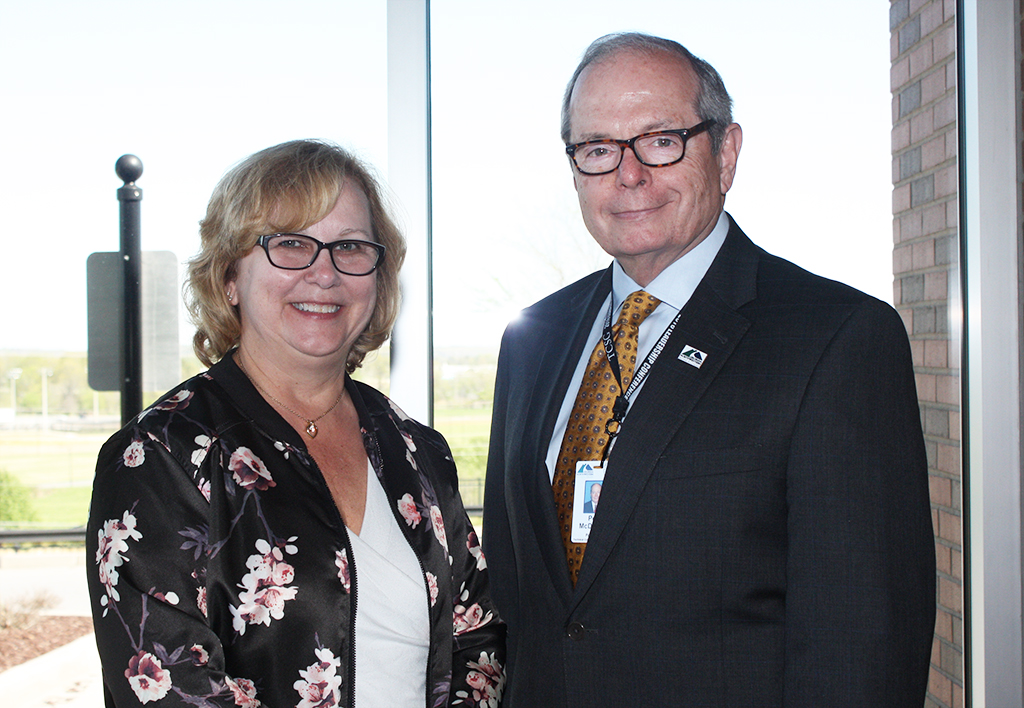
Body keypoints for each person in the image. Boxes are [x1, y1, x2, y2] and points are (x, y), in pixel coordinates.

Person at [483, 32, 935, 707]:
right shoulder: (533, 339)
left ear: (726, 153)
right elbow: (516, 595)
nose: (628, 175)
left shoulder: (836, 338)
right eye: (599, 149)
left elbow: (862, 642)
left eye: (662, 140)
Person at [87, 139, 505, 708]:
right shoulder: (158, 457)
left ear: (377, 277)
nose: (324, 273)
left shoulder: (415, 449)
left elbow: (476, 639)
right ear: (229, 277)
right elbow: (168, 688)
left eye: (350, 247)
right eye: (291, 244)